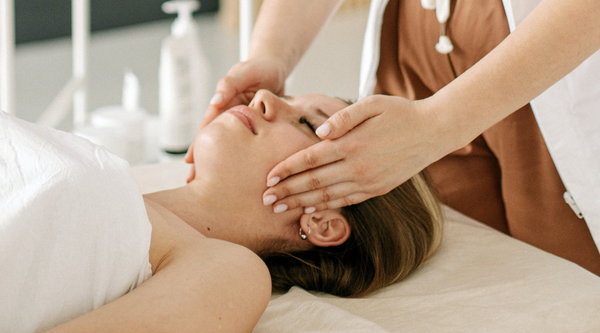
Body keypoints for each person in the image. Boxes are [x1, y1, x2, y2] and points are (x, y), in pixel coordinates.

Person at [195, 0, 600, 275]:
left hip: (551, 51)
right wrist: (271, 54)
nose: (266, 100)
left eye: (308, 123)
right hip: (414, 49)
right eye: (307, 120)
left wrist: (438, 124)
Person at [0, 91, 442, 332]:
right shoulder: (120, 183)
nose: (266, 97)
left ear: (323, 221)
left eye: (309, 124)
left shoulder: (232, 272)